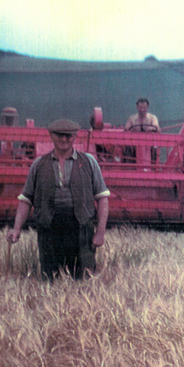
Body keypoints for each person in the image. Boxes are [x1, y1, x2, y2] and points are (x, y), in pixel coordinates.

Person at [6, 119, 110, 280]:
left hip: (81, 229)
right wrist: (16, 228)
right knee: (50, 279)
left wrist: (100, 232)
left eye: (68, 135)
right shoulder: (38, 165)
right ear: (51, 136)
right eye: (59, 135)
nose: (64, 139)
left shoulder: (89, 162)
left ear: (75, 136)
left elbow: (102, 198)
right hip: (49, 229)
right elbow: (26, 199)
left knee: (83, 278)